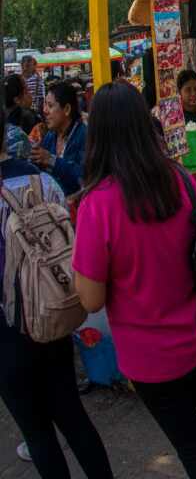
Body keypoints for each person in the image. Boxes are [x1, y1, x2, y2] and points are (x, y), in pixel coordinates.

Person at [71, 81, 196, 479]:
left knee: (194, 451)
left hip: (149, 360)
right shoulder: (178, 180)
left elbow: (90, 300)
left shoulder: (98, 205)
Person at [1, 111, 113, 479]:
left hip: (9, 328)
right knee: (72, 415)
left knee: (37, 431)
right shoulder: (43, 179)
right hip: (55, 311)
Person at [31, 81, 86, 197]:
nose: (45, 111)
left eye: (50, 106)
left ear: (66, 109)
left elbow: (84, 176)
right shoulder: (51, 136)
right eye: (45, 105)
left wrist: (52, 160)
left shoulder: (83, 135)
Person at [21, 55, 44, 119]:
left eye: (28, 66)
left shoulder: (38, 79)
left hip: (34, 113)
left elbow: (41, 98)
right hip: (22, 112)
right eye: (25, 66)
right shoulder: (19, 79)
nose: (25, 68)